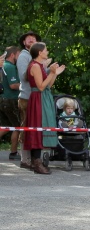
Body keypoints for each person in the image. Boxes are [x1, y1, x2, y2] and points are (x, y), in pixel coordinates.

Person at [23, 42, 66, 175]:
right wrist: (51, 72)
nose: (47, 52)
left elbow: (49, 85)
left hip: (42, 97)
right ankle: (36, 162)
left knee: (40, 128)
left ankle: (36, 161)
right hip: (38, 98)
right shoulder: (35, 66)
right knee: (37, 127)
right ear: (40, 52)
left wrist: (54, 74)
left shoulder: (40, 66)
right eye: (45, 50)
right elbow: (41, 86)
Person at [16, 31, 42, 169]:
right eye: (29, 38)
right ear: (24, 42)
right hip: (26, 97)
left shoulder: (36, 57)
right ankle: (25, 159)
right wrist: (36, 67)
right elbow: (24, 76)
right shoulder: (23, 56)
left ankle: (34, 158)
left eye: (34, 38)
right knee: (25, 127)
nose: (32, 40)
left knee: (34, 128)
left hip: (36, 97)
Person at [0, 46, 22, 159]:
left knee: (4, 126)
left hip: (3, 99)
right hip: (11, 100)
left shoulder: (2, 66)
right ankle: (13, 153)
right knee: (17, 127)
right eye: (18, 54)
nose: (19, 57)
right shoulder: (10, 67)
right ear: (12, 55)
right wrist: (25, 85)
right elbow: (13, 85)